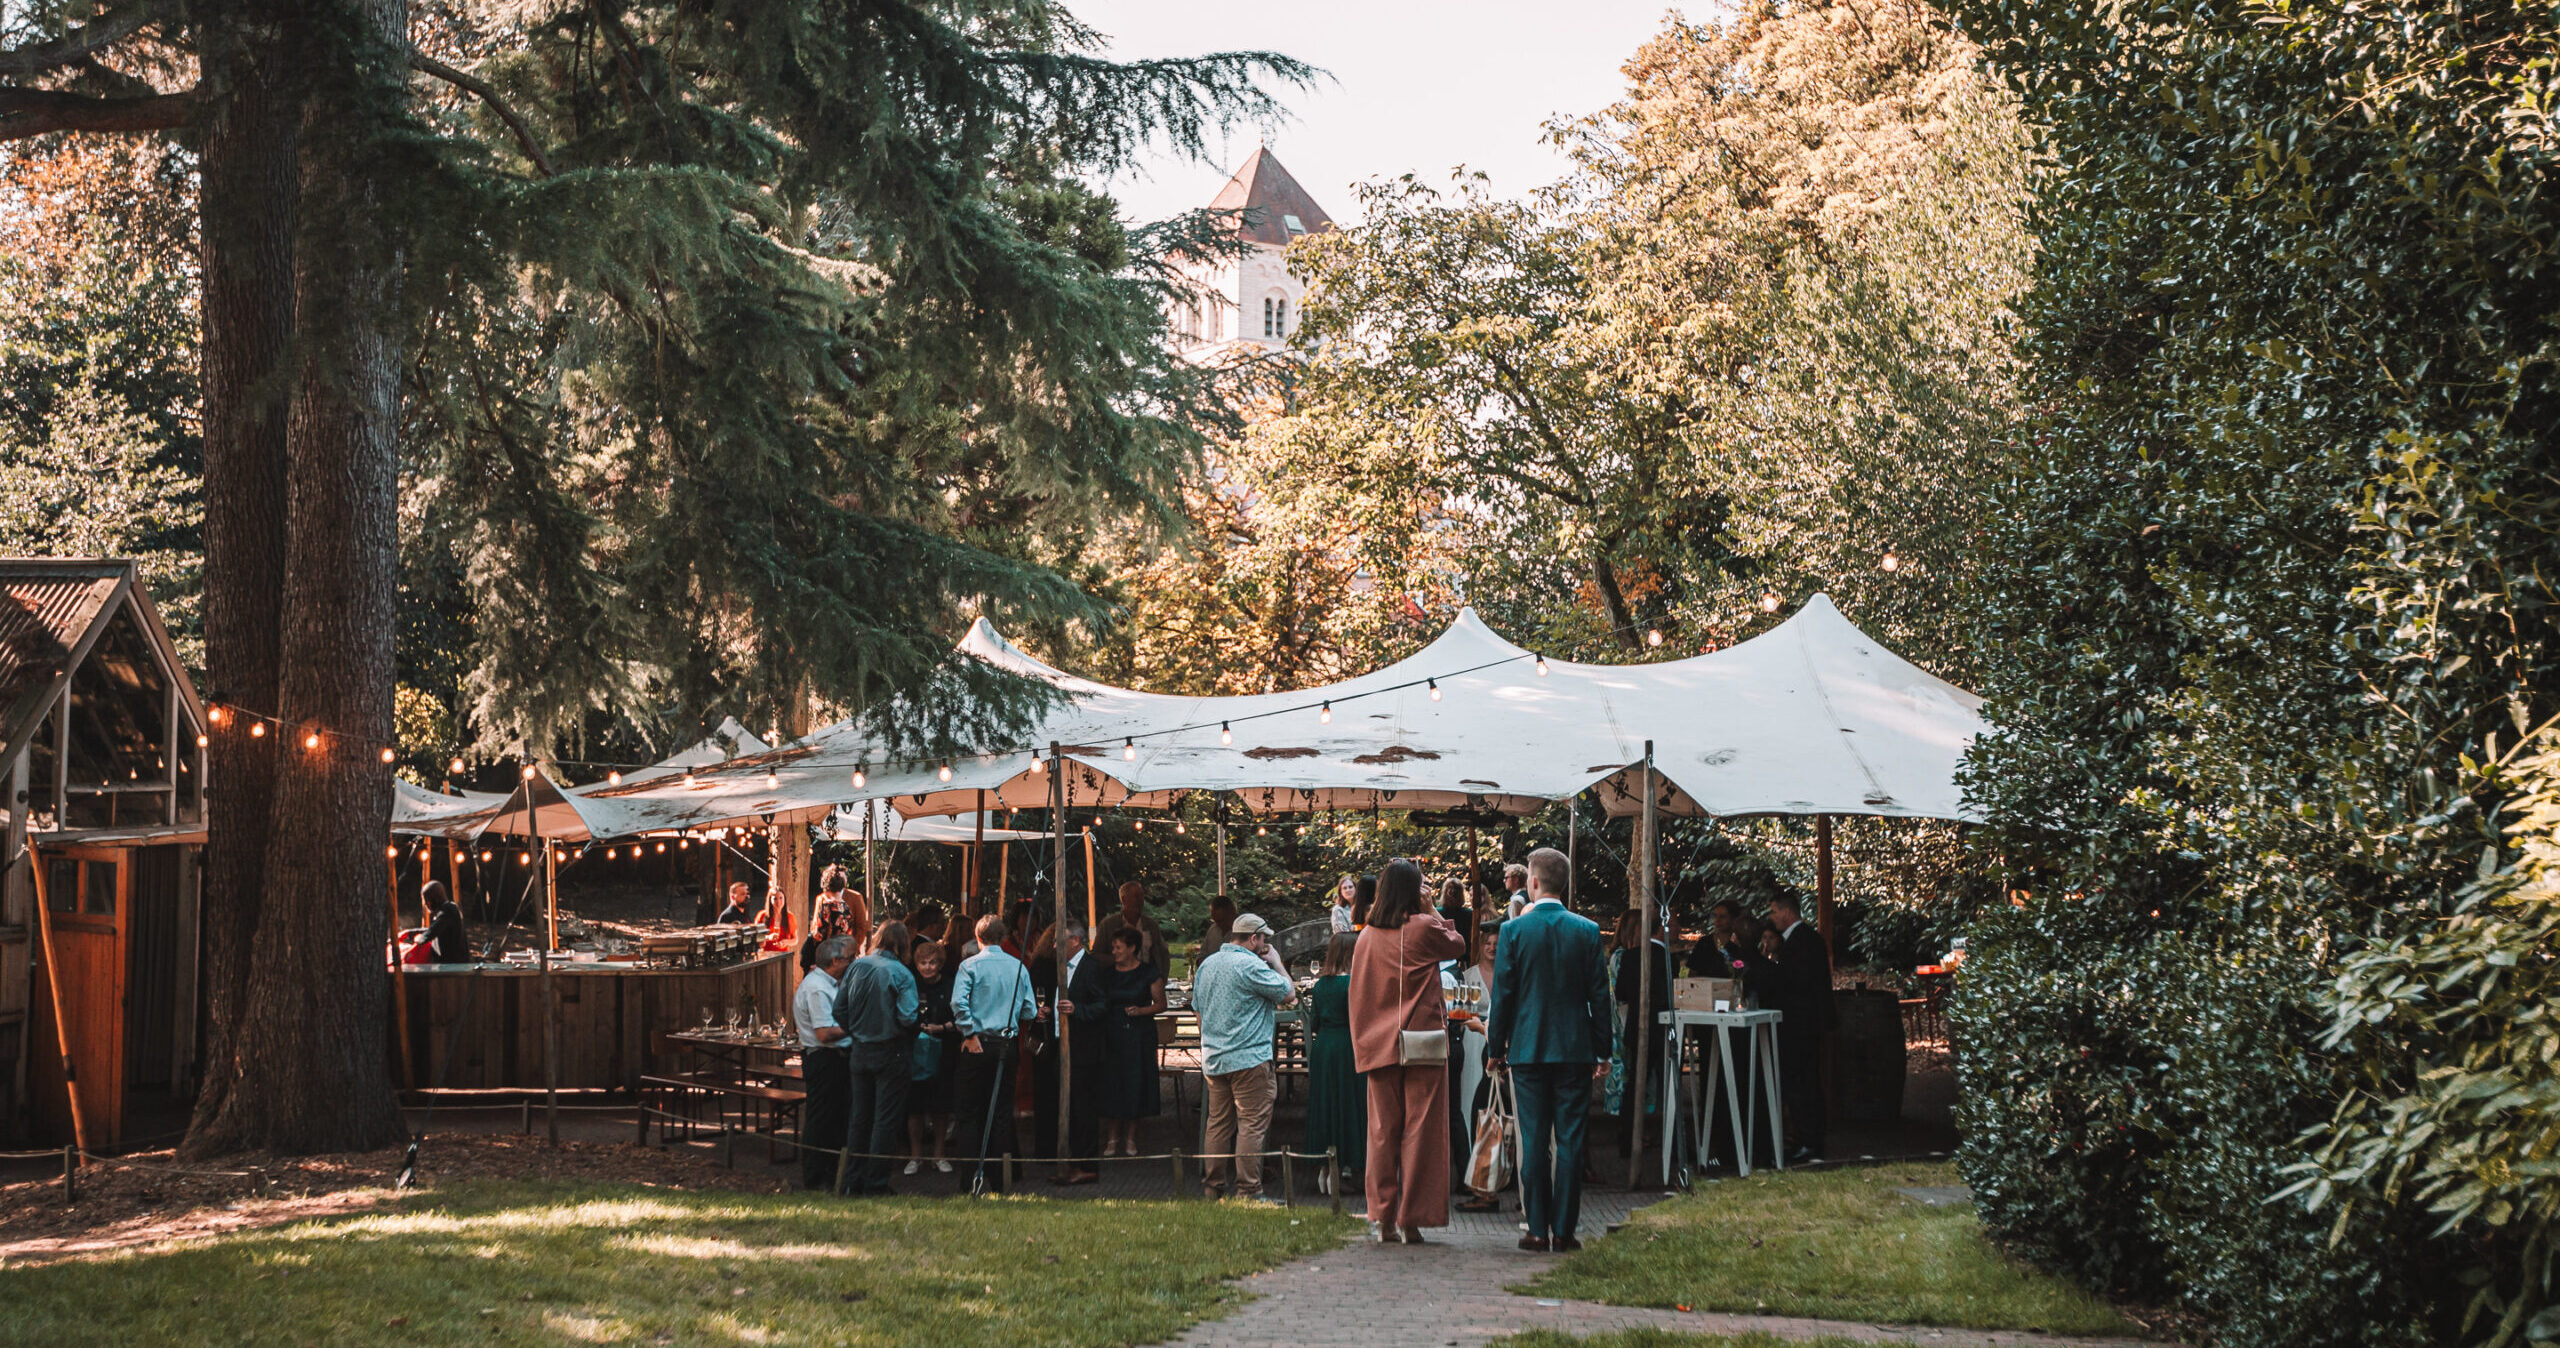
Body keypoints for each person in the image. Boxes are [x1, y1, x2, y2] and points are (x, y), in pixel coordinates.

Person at [1486, 846, 1612, 1253]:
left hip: (1527, 1048)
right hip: (1575, 1048)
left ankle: (1537, 1228)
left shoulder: (1513, 932)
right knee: (1572, 1140)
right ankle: (1566, 1229)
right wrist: (1604, 1048)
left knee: (1534, 1138)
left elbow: (1503, 995)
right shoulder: (1587, 931)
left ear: (1533, 882)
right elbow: (1600, 996)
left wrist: (1495, 1046)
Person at [1351, 858, 1467, 1242]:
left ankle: (1382, 1217)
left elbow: (1359, 993)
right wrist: (1432, 908)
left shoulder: (1367, 936)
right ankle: (1411, 1219)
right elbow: (1459, 945)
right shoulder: (1422, 928)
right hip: (1423, 1043)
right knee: (1421, 1132)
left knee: (1382, 1132)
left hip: (1378, 1044)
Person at [1193, 911, 1296, 1201]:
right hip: (1250, 1059)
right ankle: (1249, 1190)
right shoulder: (1252, 965)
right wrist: (1277, 962)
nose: (1266, 944)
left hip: (1214, 1058)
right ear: (1253, 939)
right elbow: (1288, 993)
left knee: (1217, 1124)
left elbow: (1198, 1010)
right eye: (1264, 939)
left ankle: (1212, 1188)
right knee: (1251, 1123)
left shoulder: (1208, 965)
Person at [950, 914, 1036, 1192]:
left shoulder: (969, 966)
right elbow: (1029, 1010)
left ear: (978, 938)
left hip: (977, 1043)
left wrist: (970, 1032)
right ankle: (1000, 1182)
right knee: (1000, 1113)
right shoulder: (1019, 967)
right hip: (1006, 1043)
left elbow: (958, 1003)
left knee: (969, 1112)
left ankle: (969, 1181)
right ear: (1002, 937)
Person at [835, 920, 918, 1195]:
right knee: (885, 1119)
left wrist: (855, 1030)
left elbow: (839, 1009)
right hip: (889, 1049)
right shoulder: (902, 974)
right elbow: (908, 1017)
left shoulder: (857, 966)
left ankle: (852, 1180)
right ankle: (876, 1182)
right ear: (903, 944)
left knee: (859, 1117)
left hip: (860, 1049)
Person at [1755, 893, 1835, 1164]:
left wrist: (1768, 968)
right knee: (1802, 1082)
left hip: (1802, 1023)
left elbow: (1796, 982)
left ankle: (1809, 1140)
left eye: (1774, 911)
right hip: (1802, 1022)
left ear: (1786, 912)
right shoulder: (1803, 940)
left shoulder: (1802, 941)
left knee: (1803, 1082)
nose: (1772, 917)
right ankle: (1805, 1138)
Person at [1079, 927, 1166, 1157]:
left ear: (1132, 948)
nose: (1114, 951)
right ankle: (1111, 1137)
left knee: (1135, 1083)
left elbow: (1161, 1004)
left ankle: (1130, 1138)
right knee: (1111, 1084)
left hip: (1138, 1034)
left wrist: (1141, 1010)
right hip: (1111, 1032)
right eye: (1113, 947)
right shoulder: (1107, 973)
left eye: (1118, 947)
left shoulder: (1148, 972)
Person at [1030, 921, 1102, 1184]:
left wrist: (1078, 1010)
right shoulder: (1057, 968)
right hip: (1059, 1044)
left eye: (1059, 941)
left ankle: (1087, 1164)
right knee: (1066, 1105)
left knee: (1083, 1106)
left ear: (1075, 941)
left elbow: (1103, 1004)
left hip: (1082, 1047)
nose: (1053, 946)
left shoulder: (1091, 968)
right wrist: (1048, 1012)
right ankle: (1071, 1159)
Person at [1300, 931, 1364, 1193]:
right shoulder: (1354, 984)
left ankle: (1325, 1167)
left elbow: (1313, 1022)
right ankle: (1342, 1168)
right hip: (1347, 1046)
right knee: (1348, 1105)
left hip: (1323, 1046)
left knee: (1325, 1105)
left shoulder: (1320, 985)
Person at [792, 936, 855, 1191]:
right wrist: (857, 1025)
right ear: (836, 961)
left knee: (835, 1119)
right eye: (850, 959)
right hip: (824, 1059)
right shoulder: (817, 988)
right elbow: (824, 1033)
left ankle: (832, 1173)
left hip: (834, 1059)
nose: (853, 962)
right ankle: (816, 1176)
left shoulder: (829, 983)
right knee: (821, 1119)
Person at [1614, 905, 1673, 1160]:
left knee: (1634, 1086)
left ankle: (1626, 1141)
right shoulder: (1669, 958)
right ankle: (1673, 1143)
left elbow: (1620, 994)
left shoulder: (1629, 957)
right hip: (1664, 1028)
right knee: (1668, 1085)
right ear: (1660, 930)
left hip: (1637, 1029)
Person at [1454, 918, 1503, 1212]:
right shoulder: (1468, 975)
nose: (1492, 948)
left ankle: (1493, 1171)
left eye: (1497, 944)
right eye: (1488, 944)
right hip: (1473, 1041)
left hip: (1494, 1043)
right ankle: (1475, 1169)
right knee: (1471, 1104)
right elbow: (1459, 1012)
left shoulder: (1510, 973)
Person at [904, 939, 959, 1175]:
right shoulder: (911, 986)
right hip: (915, 1053)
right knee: (914, 1108)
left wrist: (943, 1028)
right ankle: (915, 1156)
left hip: (943, 1052)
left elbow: (960, 1018)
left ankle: (939, 1155)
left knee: (940, 1108)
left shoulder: (950, 986)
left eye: (932, 963)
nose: (928, 967)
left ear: (940, 964)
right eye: (923, 963)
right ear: (916, 965)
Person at [1094, 880, 1169, 973]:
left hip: (1147, 981)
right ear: (1124, 899)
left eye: (1142, 896)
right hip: (1118, 980)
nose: (1140, 901)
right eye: (1136, 896)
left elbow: (1163, 954)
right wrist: (1118, 959)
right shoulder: (1108, 925)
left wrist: (1162, 979)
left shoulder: (1151, 925)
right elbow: (1096, 955)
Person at [419, 880, 468, 963]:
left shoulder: (448, 911)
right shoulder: (447, 909)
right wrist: (410, 932)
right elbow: (433, 928)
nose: (426, 905)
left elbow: (430, 933)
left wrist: (419, 939)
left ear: (435, 899)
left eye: (427, 901)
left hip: (453, 966)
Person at [754, 883, 797, 953]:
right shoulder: (762, 915)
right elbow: (755, 937)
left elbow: (795, 939)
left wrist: (785, 942)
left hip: (783, 955)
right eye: (775, 899)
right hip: (765, 955)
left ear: (785, 899)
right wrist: (768, 938)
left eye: (781, 898)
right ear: (770, 900)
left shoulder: (790, 916)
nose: (778, 901)